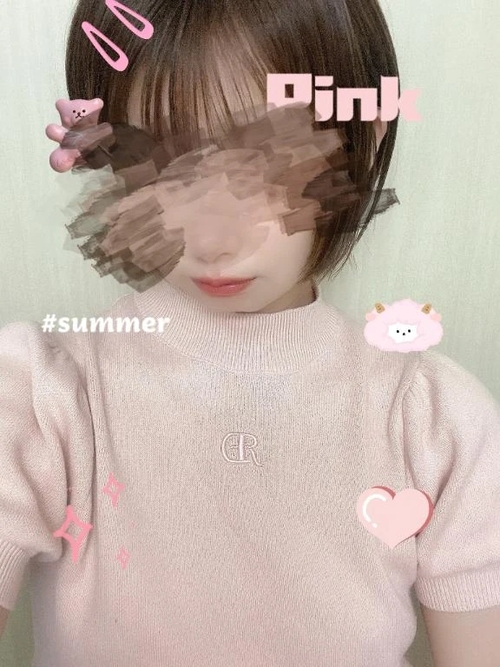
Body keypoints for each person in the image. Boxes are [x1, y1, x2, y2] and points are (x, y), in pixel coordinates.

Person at [1, 1, 499, 666]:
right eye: (161, 164)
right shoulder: (40, 393)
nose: (212, 239)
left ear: (364, 139)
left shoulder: (436, 420)